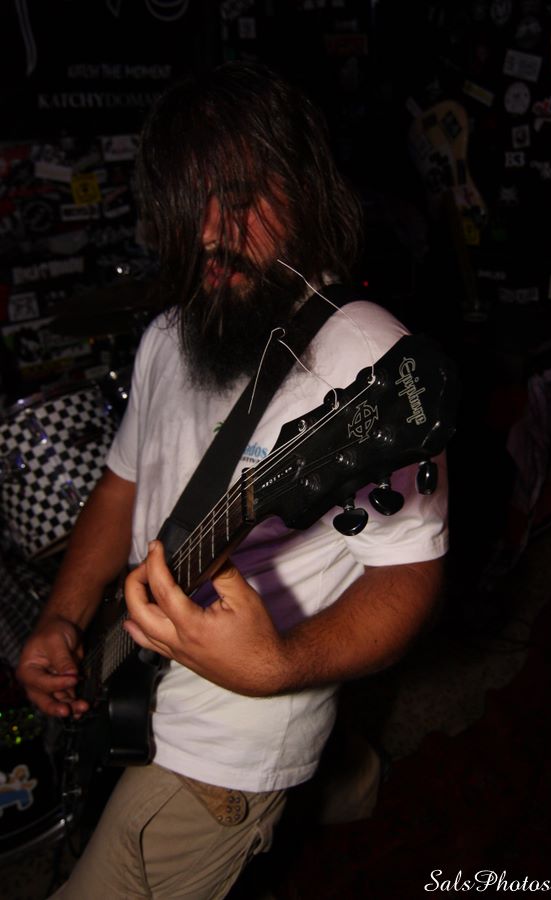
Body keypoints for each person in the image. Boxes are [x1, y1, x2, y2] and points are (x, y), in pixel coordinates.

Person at [17, 62, 448, 899]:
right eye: (191, 203)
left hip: (229, 742)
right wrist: (63, 617)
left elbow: (410, 576)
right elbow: (121, 485)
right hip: (137, 677)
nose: (212, 231)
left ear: (304, 188)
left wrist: (279, 665)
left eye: (243, 197)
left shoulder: (365, 361)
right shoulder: (170, 333)